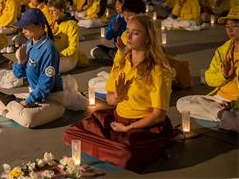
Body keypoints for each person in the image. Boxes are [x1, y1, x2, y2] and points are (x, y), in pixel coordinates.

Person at [64, 15, 175, 171]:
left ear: (148, 38)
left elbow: (159, 115)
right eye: (127, 31)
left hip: (142, 127)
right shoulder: (122, 61)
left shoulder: (157, 71)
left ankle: (113, 146)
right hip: (118, 120)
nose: (128, 37)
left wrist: (128, 129)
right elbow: (110, 101)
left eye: (135, 33)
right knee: (72, 133)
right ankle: (111, 146)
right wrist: (118, 95)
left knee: (126, 154)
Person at [0, 9, 66, 128]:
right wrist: (21, 61)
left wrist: (27, 101)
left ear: (40, 26)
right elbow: (18, 74)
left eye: (26, 27)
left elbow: (45, 85)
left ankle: (12, 106)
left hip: (51, 99)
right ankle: (15, 107)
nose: (23, 31)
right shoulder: (30, 44)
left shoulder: (49, 49)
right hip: (34, 94)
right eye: (22, 27)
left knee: (28, 119)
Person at [176, 6, 239, 123]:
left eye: (234, 26)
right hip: (219, 99)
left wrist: (234, 103)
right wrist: (224, 76)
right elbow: (209, 78)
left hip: (235, 103)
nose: (229, 30)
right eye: (227, 27)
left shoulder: (192, 1)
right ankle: (222, 115)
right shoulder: (223, 50)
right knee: (182, 102)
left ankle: (226, 116)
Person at [90, 0, 129, 64]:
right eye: (116, 4)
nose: (117, 6)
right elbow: (107, 37)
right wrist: (113, 30)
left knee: (113, 53)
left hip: (127, 49)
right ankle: (113, 59)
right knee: (95, 50)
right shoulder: (115, 19)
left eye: (120, 4)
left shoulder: (130, 20)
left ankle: (113, 60)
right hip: (116, 49)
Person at [48, 0, 83, 73]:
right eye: (49, 11)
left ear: (62, 10)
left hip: (68, 58)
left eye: (53, 11)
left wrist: (58, 54)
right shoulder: (53, 23)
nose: (50, 14)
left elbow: (73, 48)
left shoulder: (72, 24)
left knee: (47, 69)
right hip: (53, 55)